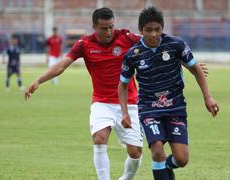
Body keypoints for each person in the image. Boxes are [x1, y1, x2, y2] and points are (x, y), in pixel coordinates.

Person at [25, 8, 143, 180]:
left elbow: (159, 43)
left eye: (111, 26)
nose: (109, 31)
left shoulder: (126, 38)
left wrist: (189, 62)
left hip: (129, 102)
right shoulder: (85, 44)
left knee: (135, 152)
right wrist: (38, 80)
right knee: (99, 139)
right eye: (104, 28)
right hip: (102, 102)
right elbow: (61, 66)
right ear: (94, 26)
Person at [118, 7, 219, 180]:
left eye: (157, 29)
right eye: (149, 30)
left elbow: (196, 69)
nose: (154, 34)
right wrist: (125, 112)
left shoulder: (175, 44)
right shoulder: (133, 54)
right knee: (157, 149)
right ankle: (162, 168)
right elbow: (123, 85)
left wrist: (207, 97)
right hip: (149, 108)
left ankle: (166, 166)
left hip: (176, 107)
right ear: (141, 30)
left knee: (182, 159)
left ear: (162, 28)